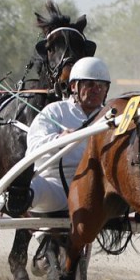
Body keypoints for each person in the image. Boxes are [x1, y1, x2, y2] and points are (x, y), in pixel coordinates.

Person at [27, 57, 112, 214]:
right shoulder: (55, 110)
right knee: (29, 187)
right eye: (90, 84)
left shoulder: (111, 117)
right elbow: (33, 149)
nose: (96, 90)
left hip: (99, 189)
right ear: (73, 86)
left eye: (101, 86)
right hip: (57, 186)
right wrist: (59, 140)